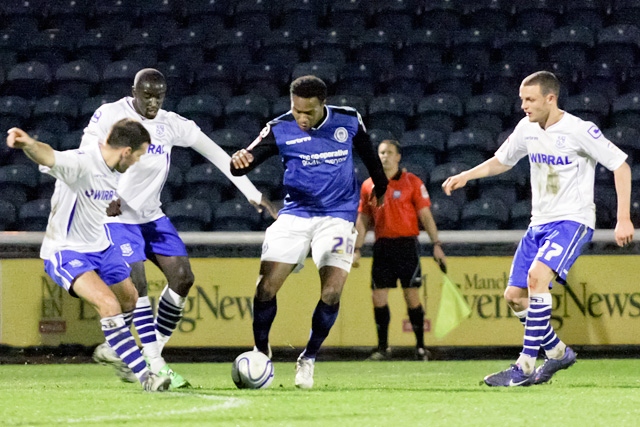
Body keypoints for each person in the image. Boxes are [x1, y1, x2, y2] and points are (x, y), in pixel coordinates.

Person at [81, 68, 277, 388]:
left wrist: (253, 194)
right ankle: (156, 366)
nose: (153, 101)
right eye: (147, 95)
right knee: (139, 286)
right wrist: (106, 192)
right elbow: (87, 154)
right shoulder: (110, 114)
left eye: (159, 95)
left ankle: (137, 350)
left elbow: (216, 154)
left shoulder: (171, 125)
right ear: (134, 91)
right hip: (115, 218)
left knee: (183, 279)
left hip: (151, 216)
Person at [442, 71, 634, 387]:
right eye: (521, 99)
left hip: (572, 221)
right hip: (538, 224)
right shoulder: (527, 128)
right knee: (515, 296)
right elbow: (502, 160)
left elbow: (621, 166)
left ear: (550, 98)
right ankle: (557, 352)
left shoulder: (579, 130)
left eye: (529, 100)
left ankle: (525, 366)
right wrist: (467, 175)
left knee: (536, 279)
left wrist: (623, 218)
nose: (523, 106)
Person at [230, 75, 388, 389]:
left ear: (322, 105)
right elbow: (246, 162)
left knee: (331, 291)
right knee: (265, 288)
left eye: (309, 112)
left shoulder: (348, 121)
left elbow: (369, 155)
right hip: (295, 215)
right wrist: (239, 163)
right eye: (297, 110)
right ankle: (261, 350)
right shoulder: (280, 127)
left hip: (338, 217)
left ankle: (309, 357)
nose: (302, 117)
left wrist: (381, 185)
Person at [6, 120, 171, 392]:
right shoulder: (82, 162)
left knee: (131, 298)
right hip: (66, 250)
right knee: (108, 304)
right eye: (139, 156)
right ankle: (147, 377)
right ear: (126, 151)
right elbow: (50, 155)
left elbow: (99, 196)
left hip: (100, 246)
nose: (137, 162)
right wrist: (28, 144)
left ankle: (113, 350)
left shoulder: (115, 170)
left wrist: (111, 204)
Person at [353, 139, 446, 362]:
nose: (384, 156)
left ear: (398, 157)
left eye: (389, 152)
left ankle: (421, 347)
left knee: (411, 296)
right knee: (378, 297)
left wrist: (436, 245)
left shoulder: (412, 182)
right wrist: (356, 248)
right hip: (382, 245)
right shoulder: (368, 186)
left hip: (406, 245)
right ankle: (383, 348)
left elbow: (425, 215)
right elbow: (363, 218)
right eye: (381, 152)